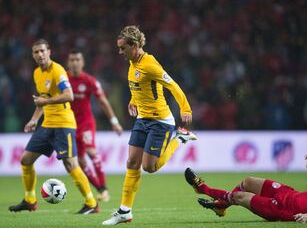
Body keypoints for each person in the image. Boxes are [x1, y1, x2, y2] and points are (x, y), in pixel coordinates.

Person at [102, 26, 197, 225]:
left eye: (122, 48)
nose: (120, 52)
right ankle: (124, 211)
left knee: (149, 167)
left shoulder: (150, 64)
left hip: (160, 121)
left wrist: (185, 109)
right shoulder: (132, 63)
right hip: (142, 120)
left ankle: (178, 138)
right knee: (131, 163)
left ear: (134, 46)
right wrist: (133, 101)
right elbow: (139, 87)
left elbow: (173, 86)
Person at [9, 39, 99, 214]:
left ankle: (91, 203)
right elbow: (42, 101)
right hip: (47, 124)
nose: (40, 54)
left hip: (64, 124)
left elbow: (69, 95)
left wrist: (46, 101)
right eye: (36, 52)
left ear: (49, 52)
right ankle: (30, 200)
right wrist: (34, 119)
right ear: (33, 55)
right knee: (25, 160)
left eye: (43, 51)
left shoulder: (57, 71)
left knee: (71, 165)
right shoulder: (37, 73)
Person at [185, 154, 307, 223]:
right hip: (288, 193)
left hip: (282, 208)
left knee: (240, 197)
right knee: (249, 181)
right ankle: (221, 206)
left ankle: (202, 188)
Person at [67, 50, 123, 202]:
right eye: (72, 60)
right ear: (68, 62)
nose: (75, 62)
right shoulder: (63, 79)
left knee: (92, 152)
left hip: (86, 124)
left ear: (83, 62)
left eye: (78, 59)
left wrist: (114, 122)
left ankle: (104, 188)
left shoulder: (89, 80)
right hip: (69, 125)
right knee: (80, 162)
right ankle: (100, 189)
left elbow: (103, 101)